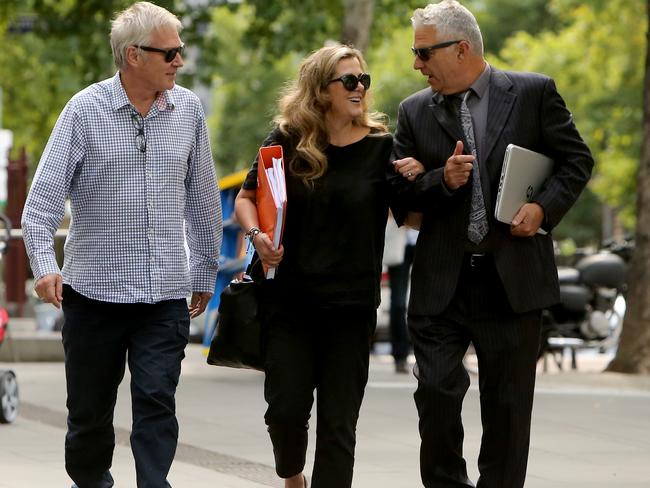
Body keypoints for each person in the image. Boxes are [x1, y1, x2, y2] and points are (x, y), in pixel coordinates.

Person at [389, 2, 594, 487]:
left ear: (461, 49)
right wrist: (441, 179)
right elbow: (396, 192)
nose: (416, 64)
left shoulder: (532, 93)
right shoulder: (414, 111)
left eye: (423, 53)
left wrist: (543, 209)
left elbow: (576, 161)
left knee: (506, 412)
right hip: (442, 284)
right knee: (435, 398)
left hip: (513, 282)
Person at [21, 2, 222, 487]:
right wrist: (45, 266)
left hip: (164, 297)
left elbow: (202, 200)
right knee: (89, 419)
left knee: (157, 402)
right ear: (134, 55)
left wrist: (202, 274)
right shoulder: (83, 111)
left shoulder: (188, 110)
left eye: (180, 51)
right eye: (170, 52)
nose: (179, 61)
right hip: (93, 298)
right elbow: (41, 204)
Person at [235, 44, 411, 488]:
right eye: (348, 81)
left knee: (339, 423)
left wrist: (428, 178)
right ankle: (293, 478)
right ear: (321, 89)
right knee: (285, 411)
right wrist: (257, 237)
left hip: (351, 307)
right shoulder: (284, 141)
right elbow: (246, 198)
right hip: (288, 303)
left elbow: (412, 212)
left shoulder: (382, 148)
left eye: (363, 81)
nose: (359, 89)